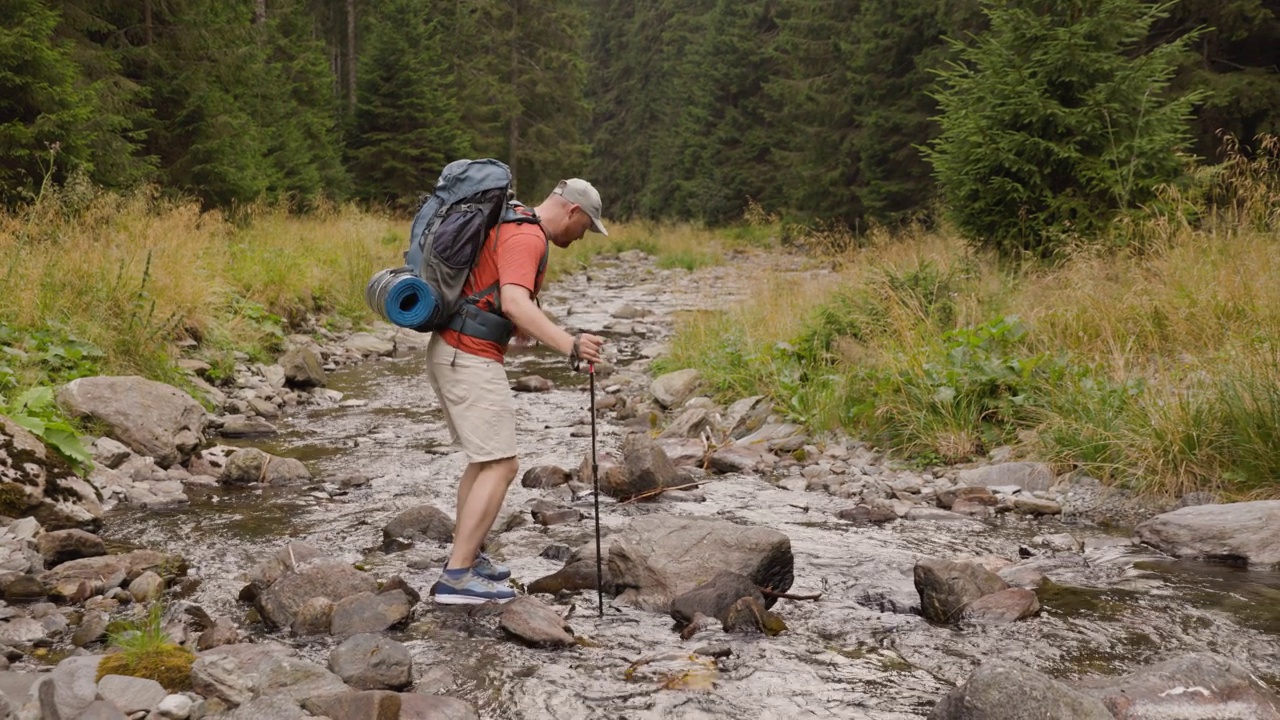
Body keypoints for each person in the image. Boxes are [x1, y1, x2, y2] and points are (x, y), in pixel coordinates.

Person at [426, 178, 608, 604]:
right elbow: (514, 301)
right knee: (502, 466)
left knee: (484, 461)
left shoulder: (515, 222)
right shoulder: (528, 235)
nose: (581, 237)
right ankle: (455, 579)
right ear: (572, 212)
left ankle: (465, 559)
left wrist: (518, 327)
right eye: (585, 228)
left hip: (455, 349)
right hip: (467, 356)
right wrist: (572, 345)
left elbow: (501, 297)